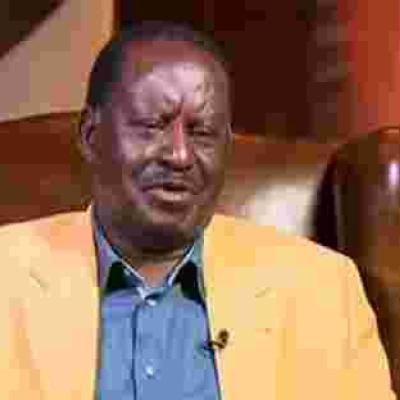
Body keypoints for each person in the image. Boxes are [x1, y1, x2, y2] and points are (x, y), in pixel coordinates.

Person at [0, 22, 395, 400]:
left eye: (202, 132)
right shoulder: (8, 275)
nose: (180, 155)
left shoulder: (322, 290)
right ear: (91, 136)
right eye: (152, 126)